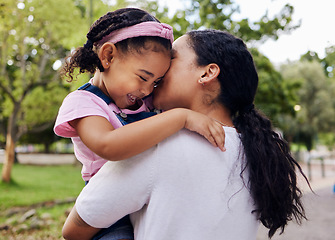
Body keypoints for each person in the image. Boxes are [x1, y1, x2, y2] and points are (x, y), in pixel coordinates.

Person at [62, 29, 310, 240]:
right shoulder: (255, 152)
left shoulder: (158, 143)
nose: (159, 70)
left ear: (206, 73)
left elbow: (75, 230)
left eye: (171, 60)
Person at [55, 8, 225, 240]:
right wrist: (181, 117)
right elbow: (109, 145)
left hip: (148, 198)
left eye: (156, 83)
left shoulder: (140, 99)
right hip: (111, 213)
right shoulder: (83, 103)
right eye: (143, 77)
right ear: (108, 57)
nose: (147, 90)